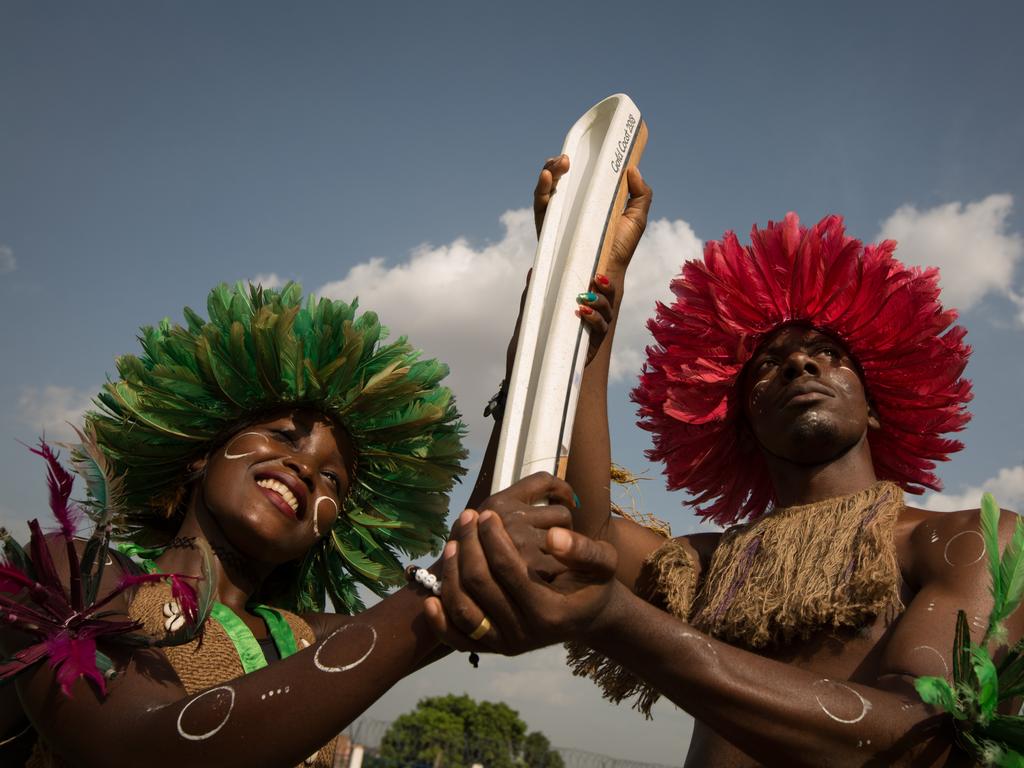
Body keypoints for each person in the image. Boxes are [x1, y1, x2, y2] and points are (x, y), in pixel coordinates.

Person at [425, 159, 1023, 766]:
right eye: (768, 364)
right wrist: (579, 289)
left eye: (828, 354)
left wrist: (619, 620)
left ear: (875, 407)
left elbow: (924, 737)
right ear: (738, 419)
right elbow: (579, 533)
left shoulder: (972, 541)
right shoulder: (709, 567)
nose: (799, 365)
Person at [0, 272, 620, 767]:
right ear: (200, 454)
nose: (303, 469)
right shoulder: (71, 573)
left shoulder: (312, 641)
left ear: (332, 532)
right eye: (281, 436)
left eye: (333, 480)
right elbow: (130, 745)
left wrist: (550, 355)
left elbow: (520, 543)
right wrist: (436, 590)